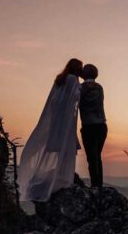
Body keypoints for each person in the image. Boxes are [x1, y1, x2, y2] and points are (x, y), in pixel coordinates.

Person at [19, 58, 82, 208]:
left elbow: (55, 100)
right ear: (76, 68)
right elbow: (76, 95)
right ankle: (62, 175)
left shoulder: (60, 79)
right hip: (65, 119)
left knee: (60, 146)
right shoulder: (72, 79)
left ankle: (60, 174)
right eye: (80, 67)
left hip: (57, 119)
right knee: (66, 147)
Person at [78, 63, 107, 188]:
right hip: (102, 125)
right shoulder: (99, 87)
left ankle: (95, 185)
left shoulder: (81, 88)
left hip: (89, 126)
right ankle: (98, 184)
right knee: (97, 156)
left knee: (91, 157)